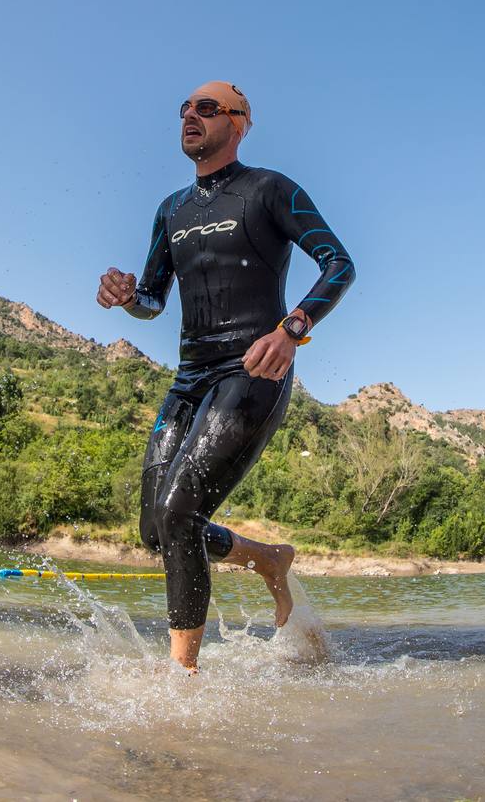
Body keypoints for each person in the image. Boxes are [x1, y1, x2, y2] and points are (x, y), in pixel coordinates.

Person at [96, 81, 356, 671]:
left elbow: (339, 262)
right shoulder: (171, 210)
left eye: (206, 108)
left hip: (252, 369)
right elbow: (153, 301)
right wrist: (127, 297)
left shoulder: (269, 189)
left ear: (239, 124)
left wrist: (291, 329)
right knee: (156, 528)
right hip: (190, 378)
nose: (190, 115)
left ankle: (181, 677)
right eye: (185, 108)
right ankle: (266, 558)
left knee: (181, 511)